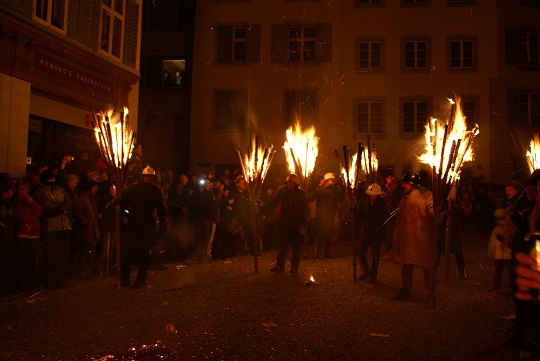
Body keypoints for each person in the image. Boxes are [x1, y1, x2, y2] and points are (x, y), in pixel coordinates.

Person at [392, 172, 437, 308]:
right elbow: (400, 217)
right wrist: (398, 234)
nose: (403, 185)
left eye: (405, 183)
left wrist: (437, 213)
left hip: (422, 237)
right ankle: (405, 289)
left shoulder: (427, 195)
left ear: (413, 184)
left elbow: (433, 211)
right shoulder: (404, 198)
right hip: (407, 237)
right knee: (406, 264)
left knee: (427, 266)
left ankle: (431, 293)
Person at [120, 165, 167, 288]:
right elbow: (124, 205)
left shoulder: (156, 191)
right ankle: (124, 280)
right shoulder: (134, 189)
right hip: (133, 223)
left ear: (153, 177)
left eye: (150, 176)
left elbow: (161, 211)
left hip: (146, 223)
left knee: (143, 254)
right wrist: (126, 214)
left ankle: (140, 280)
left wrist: (163, 227)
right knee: (127, 253)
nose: (147, 178)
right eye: (146, 176)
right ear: (143, 176)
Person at [35, 170, 73, 290]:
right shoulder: (40, 191)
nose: (52, 181)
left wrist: (62, 209)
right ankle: (50, 281)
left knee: (63, 254)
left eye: (53, 179)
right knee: (52, 255)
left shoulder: (59, 189)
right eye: (49, 179)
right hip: (51, 225)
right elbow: (47, 206)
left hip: (64, 225)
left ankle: (60, 280)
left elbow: (68, 202)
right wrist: (60, 209)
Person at [265, 174, 309, 274]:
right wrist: (262, 208)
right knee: (282, 244)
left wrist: (303, 224)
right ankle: (280, 265)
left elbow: (305, 210)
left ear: (295, 183)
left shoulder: (301, 193)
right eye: (288, 182)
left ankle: (294, 266)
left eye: (291, 182)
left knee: (296, 246)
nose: (289, 184)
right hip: (284, 221)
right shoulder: (282, 191)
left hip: (296, 222)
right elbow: (273, 202)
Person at [15, 180, 45, 290]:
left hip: (34, 234)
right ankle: (22, 283)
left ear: (27, 190)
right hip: (23, 234)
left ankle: (34, 281)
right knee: (22, 259)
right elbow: (23, 218)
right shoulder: (17, 202)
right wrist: (35, 217)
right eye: (19, 189)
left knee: (36, 260)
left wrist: (31, 202)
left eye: (23, 189)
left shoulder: (32, 200)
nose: (20, 191)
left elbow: (41, 211)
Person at [356, 183, 388, 283]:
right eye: (371, 194)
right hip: (365, 231)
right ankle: (366, 270)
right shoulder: (362, 203)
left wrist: (382, 234)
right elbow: (359, 217)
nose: (372, 196)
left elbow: (385, 220)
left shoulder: (381, 204)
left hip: (376, 233)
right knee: (359, 251)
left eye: (374, 195)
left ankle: (373, 274)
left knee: (375, 256)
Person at [72, 180, 100, 278]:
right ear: (89, 189)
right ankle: (81, 272)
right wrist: (85, 222)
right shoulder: (82, 199)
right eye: (94, 187)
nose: (96, 189)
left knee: (90, 252)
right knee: (83, 252)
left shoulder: (93, 200)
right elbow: (77, 212)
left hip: (92, 229)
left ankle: (88, 271)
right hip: (85, 230)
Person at [310, 172, 339, 259]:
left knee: (328, 234)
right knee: (320, 235)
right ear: (327, 181)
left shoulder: (333, 191)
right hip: (321, 217)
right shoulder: (320, 190)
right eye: (332, 180)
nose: (333, 182)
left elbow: (334, 203)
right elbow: (311, 197)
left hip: (330, 216)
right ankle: (319, 252)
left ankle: (327, 252)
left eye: (334, 180)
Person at [487, 208, 515, 292]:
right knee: (497, 273)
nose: (500, 221)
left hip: (509, 255)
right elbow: (492, 242)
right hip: (498, 255)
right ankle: (496, 287)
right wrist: (491, 252)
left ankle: (513, 289)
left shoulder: (512, 229)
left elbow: (513, 242)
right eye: (498, 220)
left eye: (501, 219)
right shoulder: (496, 230)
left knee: (511, 273)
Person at [381, 175, 402, 262]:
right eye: (391, 183)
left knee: (398, 235)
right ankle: (389, 253)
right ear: (387, 185)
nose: (394, 184)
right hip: (388, 218)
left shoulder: (400, 193)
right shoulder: (385, 194)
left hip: (398, 218)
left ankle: (398, 254)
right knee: (389, 235)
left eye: (395, 182)